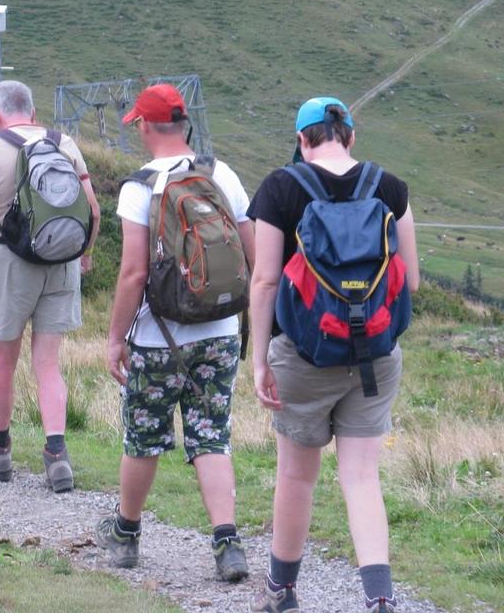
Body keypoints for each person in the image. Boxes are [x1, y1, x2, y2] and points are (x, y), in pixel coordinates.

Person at [247, 97, 420, 613]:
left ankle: (282, 591)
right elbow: (411, 278)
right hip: (376, 356)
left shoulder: (281, 187)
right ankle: (379, 598)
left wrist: (258, 360)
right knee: (363, 477)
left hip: (304, 355)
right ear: (350, 135)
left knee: (297, 474)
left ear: (303, 140)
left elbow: (264, 280)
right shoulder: (390, 187)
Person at [95, 84, 256, 580]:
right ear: (183, 125)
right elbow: (252, 251)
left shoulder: (139, 186)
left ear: (145, 126)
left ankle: (126, 535)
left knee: (143, 436)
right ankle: (227, 544)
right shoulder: (220, 173)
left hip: (157, 337)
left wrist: (115, 337)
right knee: (211, 437)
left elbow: (133, 274)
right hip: (221, 330)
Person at [0, 79, 101, 492]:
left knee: (3, 360)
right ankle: (57, 454)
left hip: (9, 260)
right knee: (48, 363)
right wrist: (84, 253)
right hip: (62, 261)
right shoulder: (64, 143)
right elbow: (93, 209)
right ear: (34, 114)